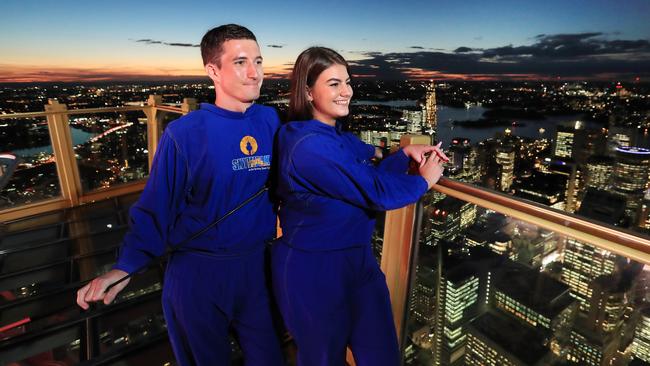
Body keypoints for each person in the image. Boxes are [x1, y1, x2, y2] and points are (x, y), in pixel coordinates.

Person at [76, 24, 284, 366]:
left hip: (256, 269)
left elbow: (308, 157)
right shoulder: (183, 135)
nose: (255, 73)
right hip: (198, 275)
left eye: (259, 61)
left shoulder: (270, 120)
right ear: (212, 70)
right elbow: (156, 208)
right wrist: (124, 268)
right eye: (241, 62)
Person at [271, 46, 447, 366]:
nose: (346, 91)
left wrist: (402, 155)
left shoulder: (335, 135)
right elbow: (376, 191)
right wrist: (423, 180)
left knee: (382, 356)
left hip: (358, 264)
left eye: (348, 82)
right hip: (314, 271)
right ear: (308, 92)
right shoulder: (306, 145)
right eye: (334, 83)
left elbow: (364, 169)